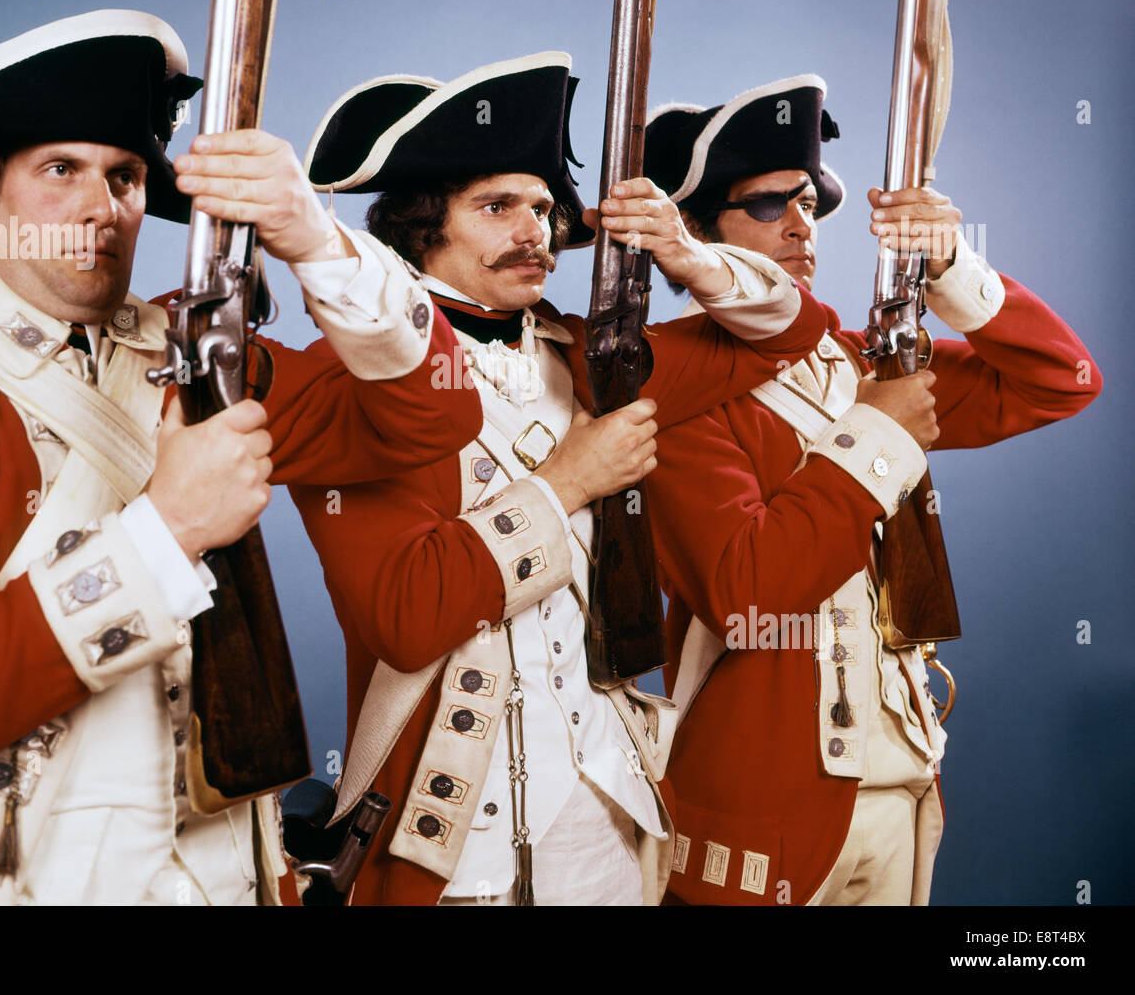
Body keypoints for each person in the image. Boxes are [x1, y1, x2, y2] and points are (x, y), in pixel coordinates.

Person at [0, 10, 482, 906]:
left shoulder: (204, 357)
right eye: (61, 170)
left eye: (127, 177)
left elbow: (436, 418)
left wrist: (316, 242)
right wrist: (166, 528)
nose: (102, 209)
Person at [291, 52, 829, 905]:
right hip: (447, 831)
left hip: (607, 816)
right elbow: (407, 615)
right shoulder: (350, 385)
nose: (534, 231)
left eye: (542, 208)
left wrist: (687, 255)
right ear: (423, 223)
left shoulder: (589, 357)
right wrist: (565, 484)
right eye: (497, 206)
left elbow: (792, 329)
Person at [642, 75, 1102, 905]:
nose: (799, 222)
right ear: (698, 234)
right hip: (760, 814)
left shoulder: (863, 364)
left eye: (809, 203)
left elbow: (1062, 381)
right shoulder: (671, 384)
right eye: (766, 203)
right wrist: (878, 433)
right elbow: (746, 593)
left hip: (904, 785)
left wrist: (953, 266)